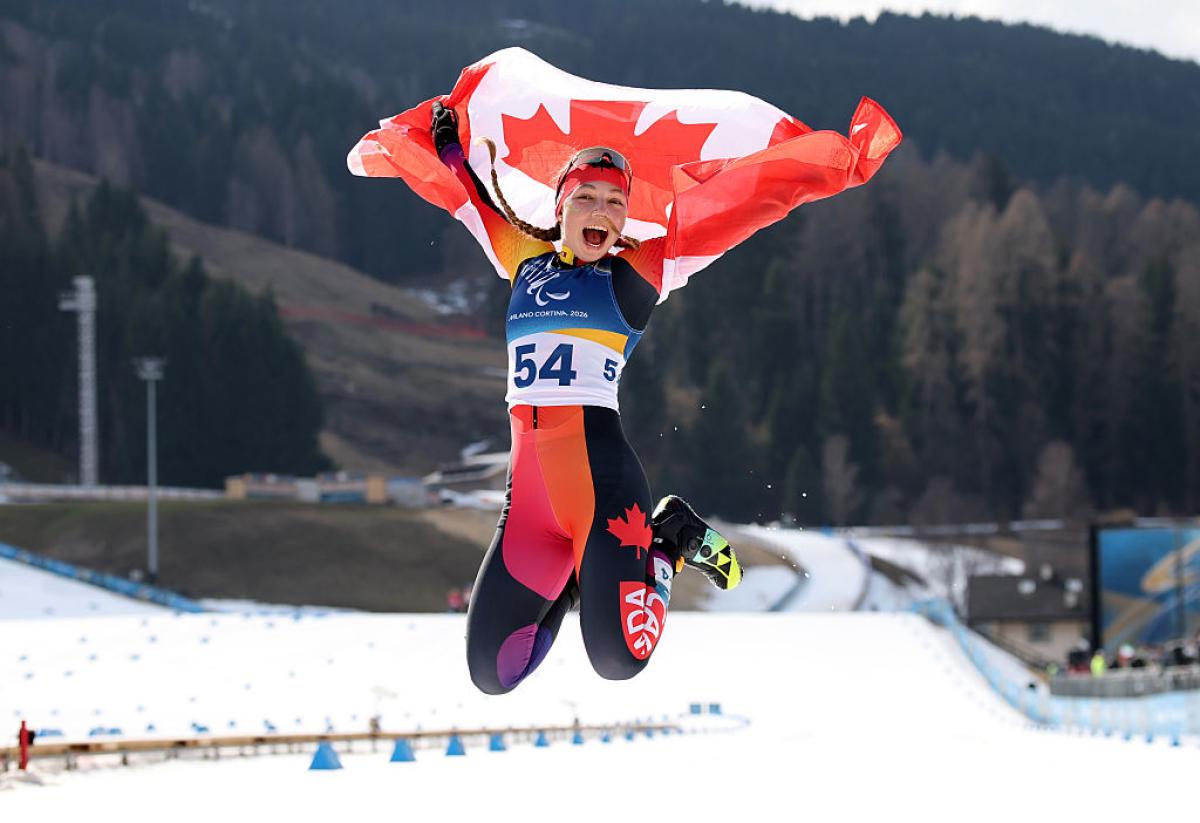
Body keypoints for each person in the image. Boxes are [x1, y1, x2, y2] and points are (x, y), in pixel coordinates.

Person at [430, 103, 742, 694]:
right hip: (528, 503)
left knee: (620, 660)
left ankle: (670, 539)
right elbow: (468, 201)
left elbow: (726, 217)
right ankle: (579, 579)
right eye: (587, 197)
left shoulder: (634, 277)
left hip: (604, 490)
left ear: (625, 223)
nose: (601, 211)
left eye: (616, 202)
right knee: (494, 674)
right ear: (560, 208)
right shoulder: (522, 263)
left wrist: (799, 172)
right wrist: (449, 146)